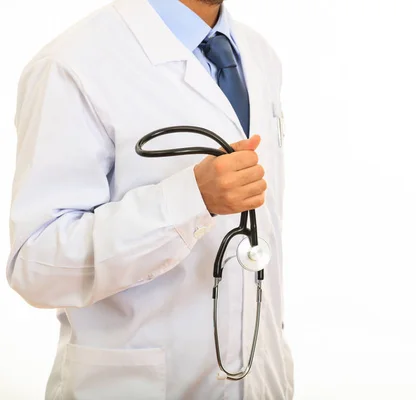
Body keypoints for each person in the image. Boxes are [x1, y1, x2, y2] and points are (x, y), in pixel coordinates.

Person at [5, 0, 293, 398]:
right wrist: (191, 201)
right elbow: (37, 268)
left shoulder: (259, 55)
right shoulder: (72, 64)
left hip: (260, 379)